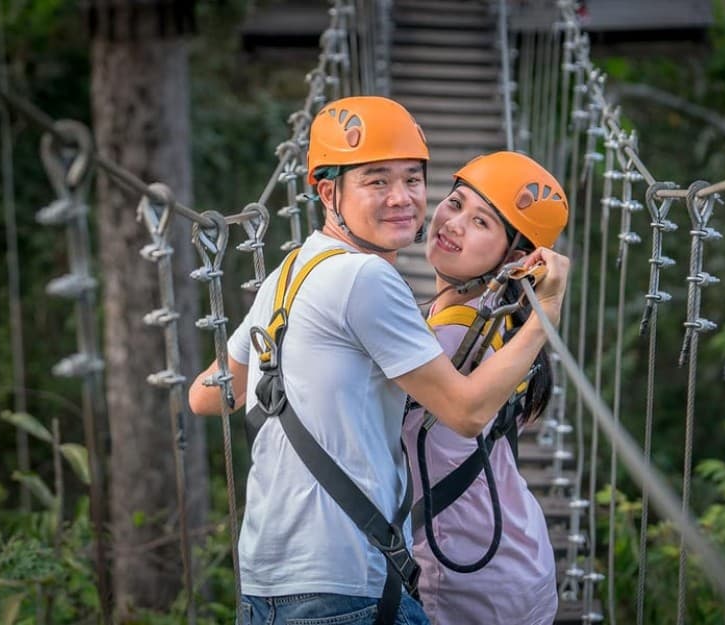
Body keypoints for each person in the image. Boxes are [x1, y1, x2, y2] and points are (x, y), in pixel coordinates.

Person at [187, 96, 570, 625]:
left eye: (413, 180)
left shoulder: (288, 273)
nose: (403, 199)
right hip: (346, 579)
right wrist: (545, 311)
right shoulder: (369, 281)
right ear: (327, 191)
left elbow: (207, 393)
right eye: (377, 181)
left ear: (515, 258)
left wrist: (280, 347)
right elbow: (466, 411)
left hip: (271, 577)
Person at [403, 151, 566, 625]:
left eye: (480, 222)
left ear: (516, 260)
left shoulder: (453, 337)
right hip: (510, 555)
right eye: (454, 203)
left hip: (470, 576)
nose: (453, 223)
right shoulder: (499, 323)